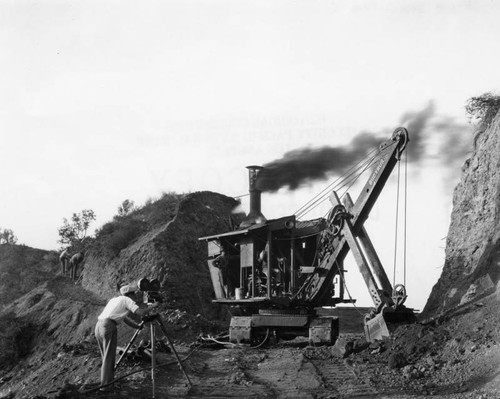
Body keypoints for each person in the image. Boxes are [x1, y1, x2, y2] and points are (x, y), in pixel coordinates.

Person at [94, 283, 158, 392]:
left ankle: (106, 383)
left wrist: (137, 326)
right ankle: (106, 387)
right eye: (134, 294)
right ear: (131, 294)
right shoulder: (127, 300)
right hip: (109, 326)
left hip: (99, 326)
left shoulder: (115, 300)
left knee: (105, 356)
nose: (136, 297)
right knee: (109, 357)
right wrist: (154, 305)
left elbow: (124, 319)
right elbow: (140, 312)